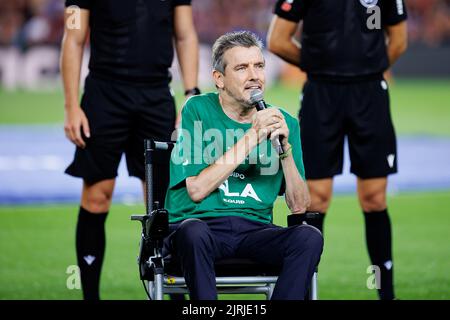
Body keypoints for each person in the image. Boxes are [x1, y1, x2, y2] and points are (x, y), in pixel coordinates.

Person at [163, 30, 323, 300]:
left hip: (255, 230)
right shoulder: (197, 109)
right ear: (219, 79)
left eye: (259, 65)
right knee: (194, 232)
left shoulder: (284, 122)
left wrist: (285, 152)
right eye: (241, 68)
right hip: (200, 225)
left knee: (309, 237)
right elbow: (197, 190)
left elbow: (299, 206)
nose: (254, 75)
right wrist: (252, 137)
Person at [267, 0, 408, 300]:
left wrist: (367, 71)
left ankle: (386, 293)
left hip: (369, 96)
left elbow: (398, 40)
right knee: (315, 199)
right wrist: (318, 66)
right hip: (322, 94)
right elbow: (277, 39)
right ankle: (303, 292)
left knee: (374, 198)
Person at [60, 0, 199, 300]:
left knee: (164, 204)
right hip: (103, 96)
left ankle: (173, 293)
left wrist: (191, 93)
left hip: (156, 96)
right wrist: (71, 105)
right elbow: (73, 37)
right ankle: (90, 296)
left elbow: (186, 34)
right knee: (97, 197)